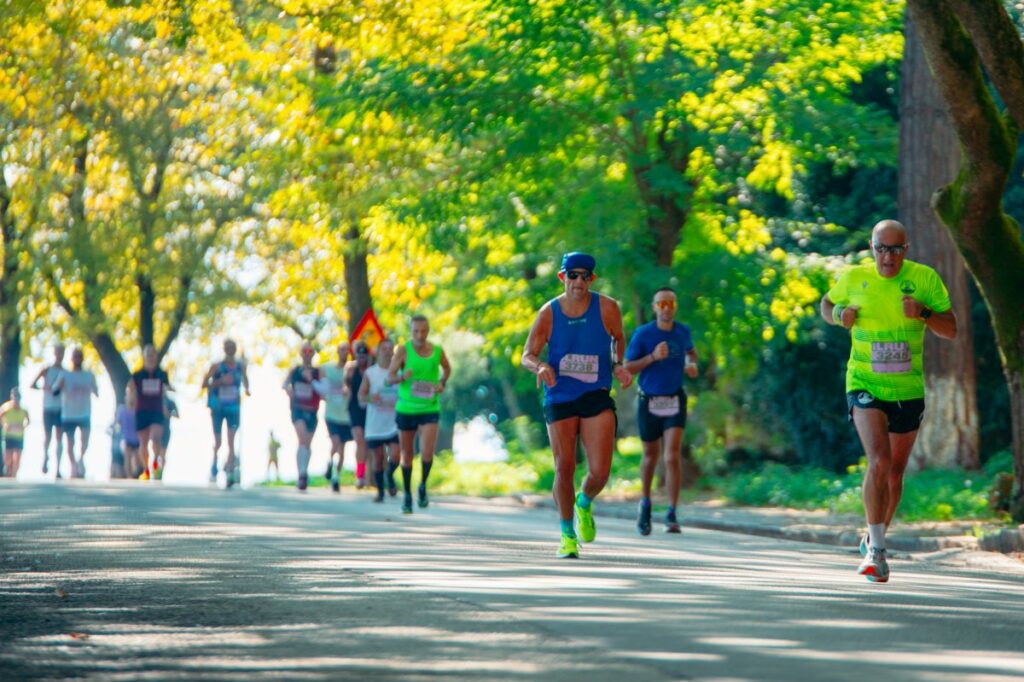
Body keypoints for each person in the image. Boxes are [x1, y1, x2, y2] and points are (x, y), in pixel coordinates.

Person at [821, 219, 957, 583]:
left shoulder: (925, 279)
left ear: (906, 250)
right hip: (864, 383)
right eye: (882, 248)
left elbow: (952, 328)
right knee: (879, 461)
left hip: (907, 390)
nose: (888, 256)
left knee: (895, 474)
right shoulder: (854, 278)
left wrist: (924, 314)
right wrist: (838, 316)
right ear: (872, 247)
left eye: (896, 249)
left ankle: (872, 536)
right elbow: (826, 303)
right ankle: (877, 552)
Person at [521, 252, 633, 559]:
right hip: (560, 393)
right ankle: (567, 534)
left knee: (600, 471)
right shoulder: (549, 313)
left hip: (595, 393)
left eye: (585, 276)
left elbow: (618, 339)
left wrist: (619, 365)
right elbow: (526, 354)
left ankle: (584, 502)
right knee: (565, 466)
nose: (579, 282)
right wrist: (540, 367)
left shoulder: (607, 308)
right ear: (562, 277)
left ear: (592, 280)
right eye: (573, 276)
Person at [624, 287, 699, 535]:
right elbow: (628, 367)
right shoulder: (643, 334)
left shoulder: (682, 331)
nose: (666, 307)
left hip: (675, 398)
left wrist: (691, 365)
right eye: (661, 303)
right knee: (650, 457)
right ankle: (645, 503)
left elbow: (691, 353)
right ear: (655, 307)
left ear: (675, 306)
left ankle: (672, 512)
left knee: (671, 456)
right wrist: (653, 357)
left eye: (670, 303)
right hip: (649, 400)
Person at [388, 315, 451, 514]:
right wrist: (401, 377)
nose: (420, 335)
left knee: (427, 452)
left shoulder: (437, 351)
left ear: (428, 330)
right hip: (406, 409)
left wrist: (442, 383)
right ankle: (407, 495)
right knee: (407, 455)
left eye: (423, 331)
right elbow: (390, 377)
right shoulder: (403, 350)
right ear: (411, 331)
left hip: (429, 408)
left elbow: (447, 368)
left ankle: (422, 485)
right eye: (416, 331)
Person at [203, 339, 250, 487]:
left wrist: (248, 390)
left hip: (233, 408)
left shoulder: (240, 366)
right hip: (217, 407)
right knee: (218, 441)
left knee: (231, 441)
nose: (230, 350)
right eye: (227, 347)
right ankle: (214, 464)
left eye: (233, 347)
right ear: (224, 349)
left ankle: (230, 471)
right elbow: (204, 384)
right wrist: (219, 382)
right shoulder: (216, 366)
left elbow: (246, 381)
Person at [359, 338, 400, 502]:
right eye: (384, 348)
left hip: (394, 423)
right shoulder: (371, 373)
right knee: (377, 459)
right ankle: (380, 492)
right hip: (375, 423)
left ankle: (389, 474)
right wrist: (370, 398)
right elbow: (361, 395)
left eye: (391, 349)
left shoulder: (398, 372)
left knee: (396, 455)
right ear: (378, 351)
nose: (388, 351)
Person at [53, 347, 99, 479]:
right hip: (68, 414)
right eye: (75, 356)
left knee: (85, 441)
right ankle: (73, 465)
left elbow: (97, 392)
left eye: (80, 356)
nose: (78, 358)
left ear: (83, 358)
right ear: (71, 358)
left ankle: (80, 460)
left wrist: (95, 388)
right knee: (70, 442)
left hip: (84, 413)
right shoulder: (65, 374)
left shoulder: (89, 375)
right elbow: (55, 391)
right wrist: (59, 386)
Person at [284, 341, 322, 491]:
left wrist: (311, 380)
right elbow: (284, 384)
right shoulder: (295, 370)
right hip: (297, 409)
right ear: (300, 353)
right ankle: (302, 474)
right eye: (304, 351)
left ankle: (304, 470)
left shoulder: (318, 372)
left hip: (312, 410)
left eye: (310, 351)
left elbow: (324, 390)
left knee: (307, 444)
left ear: (313, 353)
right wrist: (288, 391)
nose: (307, 354)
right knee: (302, 439)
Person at [132, 345, 174, 481]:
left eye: (153, 354)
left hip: (157, 410)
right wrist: (130, 403)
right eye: (148, 354)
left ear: (156, 356)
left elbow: (167, 389)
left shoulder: (162, 374)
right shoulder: (137, 375)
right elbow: (131, 389)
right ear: (144, 357)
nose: (151, 357)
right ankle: (146, 469)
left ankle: (155, 462)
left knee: (156, 439)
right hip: (142, 410)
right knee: (143, 442)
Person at [318, 341, 353, 493]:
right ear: (337, 351)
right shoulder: (328, 368)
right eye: (341, 349)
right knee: (335, 443)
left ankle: (336, 477)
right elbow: (318, 377)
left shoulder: (352, 369)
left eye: (346, 350)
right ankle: (330, 463)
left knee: (342, 449)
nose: (344, 352)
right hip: (331, 414)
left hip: (346, 415)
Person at [31, 344, 65, 476]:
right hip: (48, 407)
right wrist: (44, 388)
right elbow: (32, 384)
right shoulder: (46, 369)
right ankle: (45, 457)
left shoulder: (65, 372)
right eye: (58, 352)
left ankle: (58, 469)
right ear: (54, 353)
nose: (60, 355)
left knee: (59, 438)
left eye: (62, 352)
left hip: (61, 408)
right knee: (48, 436)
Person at [347, 341, 372, 488]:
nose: (361, 358)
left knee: (370, 443)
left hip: (370, 409)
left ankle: (371, 476)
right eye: (359, 355)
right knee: (360, 440)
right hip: (355, 408)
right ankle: (360, 474)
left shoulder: (372, 370)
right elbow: (346, 385)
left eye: (364, 356)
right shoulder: (351, 369)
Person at [0, 389, 30, 478]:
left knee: (17, 457)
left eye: (17, 398)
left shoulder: (24, 410)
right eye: (14, 397)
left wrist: (23, 426)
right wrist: (5, 424)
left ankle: (14, 475)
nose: (16, 400)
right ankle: (8, 472)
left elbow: (28, 421)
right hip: (8, 435)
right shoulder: (5, 408)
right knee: (8, 458)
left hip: (19, 436)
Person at [115, 383, 140, 478]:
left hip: (138, 439)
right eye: (129, 395)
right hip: (126, 438)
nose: (131, 398)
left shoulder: (138, 410)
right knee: (127, 458)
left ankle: (136, 473)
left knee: (137, 459)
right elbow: (118, 422)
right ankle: (129, 476)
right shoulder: (122, 409)